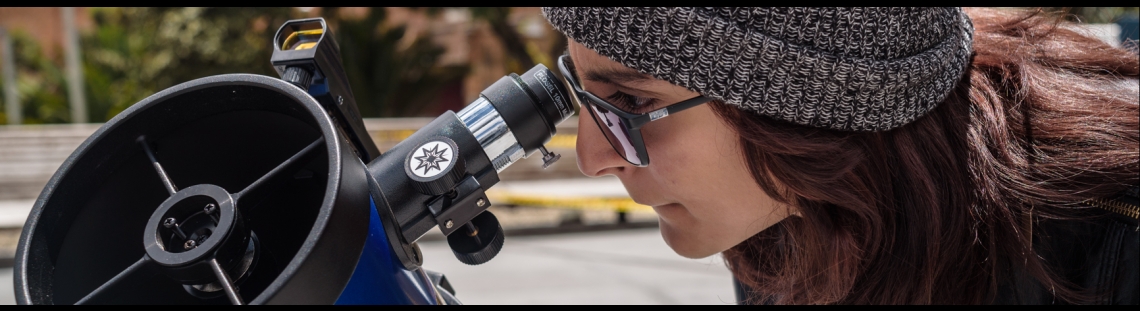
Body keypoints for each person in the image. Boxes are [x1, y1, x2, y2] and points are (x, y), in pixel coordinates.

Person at [541, 7, 1138, 304]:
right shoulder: (785, 226)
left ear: (813, 102)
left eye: (630, 99)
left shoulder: (1118, 237)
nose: (594, 156)